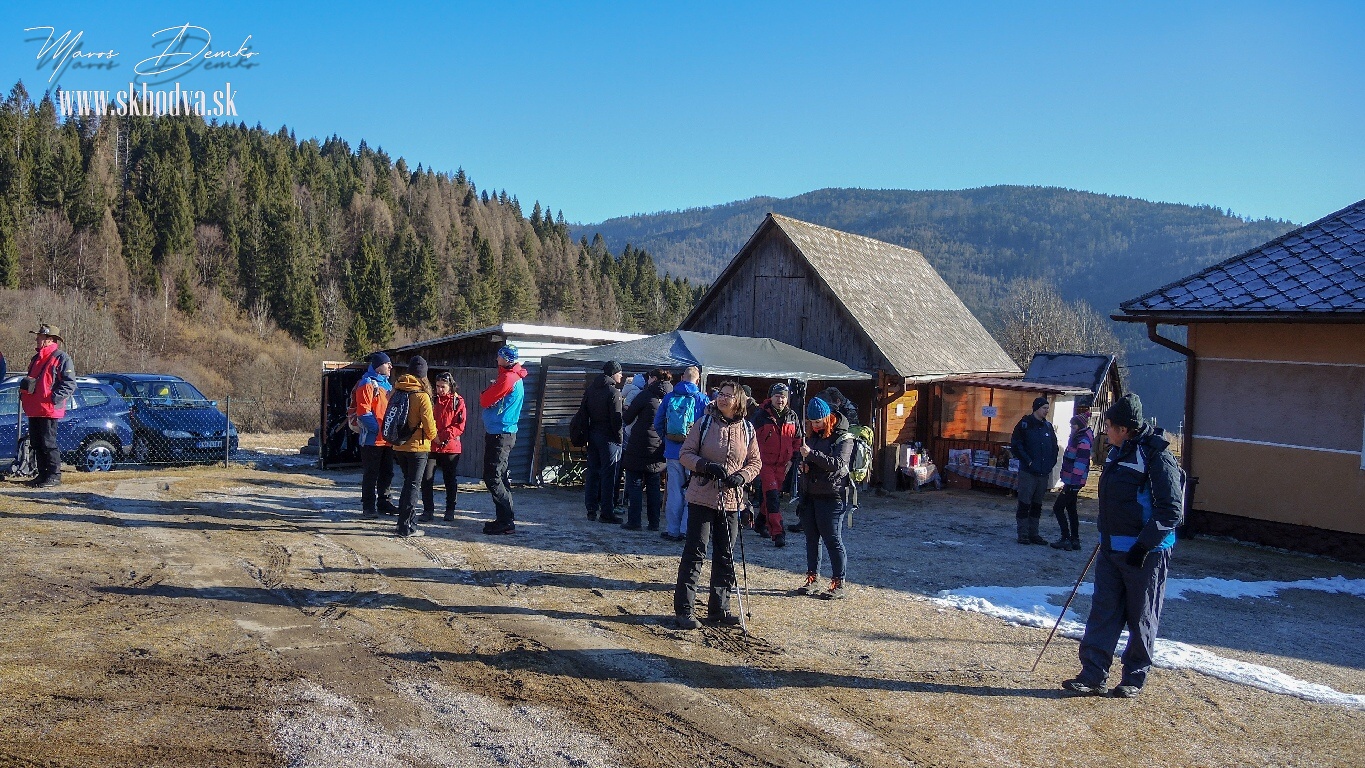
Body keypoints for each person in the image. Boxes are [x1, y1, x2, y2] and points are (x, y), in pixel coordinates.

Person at [1063, 393, 1183, 699]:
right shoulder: (1117, 453)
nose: (1106, 431)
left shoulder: (1157, 457)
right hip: (1111, 549)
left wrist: (1142, 547)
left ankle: (1133, 677)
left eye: (1111, 426)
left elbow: (1171, 510)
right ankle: (1092, 674)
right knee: (1103, 612)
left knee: (1141, 615)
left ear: (1125, 429)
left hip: (1146, 554)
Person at [674, 380, 762, 629]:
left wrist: (742, 476)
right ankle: (684, 610)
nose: (723, 399)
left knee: (726, 556)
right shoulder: (704, 424)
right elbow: (685, 454)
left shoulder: (747, 429)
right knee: (695, 553)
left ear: (739, 401)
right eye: (721, 395)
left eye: (729, 396)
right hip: (702, 496)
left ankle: (719, 610)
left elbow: (755, 462)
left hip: (733, 500)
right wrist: (705, 466)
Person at [793, 397, 855, 599]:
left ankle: (839, 583)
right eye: (812, 422)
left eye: (819, 422)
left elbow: (837, 463)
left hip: (833, 495)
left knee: (832, 539)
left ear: (828, 418)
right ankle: (812, 578)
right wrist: (805, 466)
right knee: (811, 539)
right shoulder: (812, 435)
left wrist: (811, 455)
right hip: (810, 494)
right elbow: (812, 460)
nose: (815, 425)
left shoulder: (844, 438)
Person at [653, 366, 710, 541]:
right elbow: (707, 426)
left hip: (672, 451)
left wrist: (667, 439)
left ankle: (672, 530)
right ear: (698, 380)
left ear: (682, 377)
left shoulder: (670, 396)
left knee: (674, 491)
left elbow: (658, 422)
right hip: (693, 454)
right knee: (691, 492)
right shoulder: (702, 399)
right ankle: (687, 530)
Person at [19, 323, 77, 488]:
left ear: (49, 339)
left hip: (49, 409)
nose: (37, 339)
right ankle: (42, 475)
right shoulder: (36, 358)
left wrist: (53, 399)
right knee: (37, 443)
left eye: (40, 337)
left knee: (48, 443)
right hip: (35, 408)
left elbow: (69, 384)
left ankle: (53, 476)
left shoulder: (61, 357)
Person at [479, 345, 527, 535]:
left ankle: (506, 520)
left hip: (501, 433)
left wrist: (488, 392)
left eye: (499, 356)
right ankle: (504, 518)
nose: (496, 358)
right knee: (500, 477)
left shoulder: (508, 378)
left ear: (506, 359)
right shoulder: (512, 376)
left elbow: (484, 400)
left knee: (492, 477)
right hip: (502, 432)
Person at [390, 356, 438, 538]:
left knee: (407, 484)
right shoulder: (422, 396)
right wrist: (433, 437)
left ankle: (402, 523)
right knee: (413, 486)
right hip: (418, 447)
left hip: (399, 446)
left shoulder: (397, 390)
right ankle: (407, 527)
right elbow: (429, 426)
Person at [620, 369, 673, 531]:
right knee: (654, 485)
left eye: (649, 377)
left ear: (654, 378)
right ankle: (654, 522)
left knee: (635, 483)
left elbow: (628, 417)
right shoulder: (670, 397)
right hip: (659, 445)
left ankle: (634, 521)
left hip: (639, 444)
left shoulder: (645, 395)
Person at [751, 382, 801, 547]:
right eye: (777, 396)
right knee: (772, 497)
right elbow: (751, 440)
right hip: (765, 463)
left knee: (770, 497)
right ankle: (778, 532)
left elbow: (797, 440)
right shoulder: (760, 416)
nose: (780, 399)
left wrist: (792, 459)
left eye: (783, 397)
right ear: (771, 397)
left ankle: (760, 523)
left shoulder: (792, 416)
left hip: (783, 464)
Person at [1010, 396, 1059, 545]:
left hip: (1043, 473)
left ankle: (1034, 533)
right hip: (1028, 472)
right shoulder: (1025, 424)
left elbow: (1054, 448)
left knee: (1037, 504)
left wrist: (1050, 464)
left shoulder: (1048, 427)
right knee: (1025, 503)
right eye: (1044, 408)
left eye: (1047, 408)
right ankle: (1023, 534)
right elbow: (1017, 445)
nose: (1046, 411)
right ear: (1036, 408)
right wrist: (1029, 462)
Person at [354, 352, 398, 518]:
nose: (390, 367)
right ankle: (368, 506)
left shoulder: (387, 385)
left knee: (387, 473)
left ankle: (384, 502)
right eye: (388, 364)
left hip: (386, 440)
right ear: (379, 365)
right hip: (372, 440)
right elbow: (363, 413)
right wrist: (379, 430)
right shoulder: (367, 383)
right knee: (371, 474)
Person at [583, 360, 625, 523]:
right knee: (609, 475)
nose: (622, 375)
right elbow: (616, 418)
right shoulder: (613, 392)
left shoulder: (591, 389)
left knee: (593, 472)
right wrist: (620, 438)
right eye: (620, 372)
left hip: (593, 434)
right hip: (609, 438)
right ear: (614, 373)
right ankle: (607, 512)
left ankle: (591, 509)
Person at [421, 371, 466, 523]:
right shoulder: (431, 400)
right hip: (432, 445)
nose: (440, 389)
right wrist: (434, 436)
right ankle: (428, 510)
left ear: (450, 386)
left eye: (443, 387)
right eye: (438, 386)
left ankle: (450, 509)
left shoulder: (457, 401)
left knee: (449, 479)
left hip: (450, 446)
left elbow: (459, 425)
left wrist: (444, 436)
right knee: (426, 478)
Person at [1052, 412, 1094, 551]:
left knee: (1058, 508)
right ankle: (1075, 540)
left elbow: (1080, 463)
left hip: (1073, 481)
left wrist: (1072, 483)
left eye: (1073, 425)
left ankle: (1066, 537)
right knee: (1071, 509)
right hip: (1073, 481)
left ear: (1079, 425)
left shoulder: (1082, 441)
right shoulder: (1079, 438)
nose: (1071, 427)